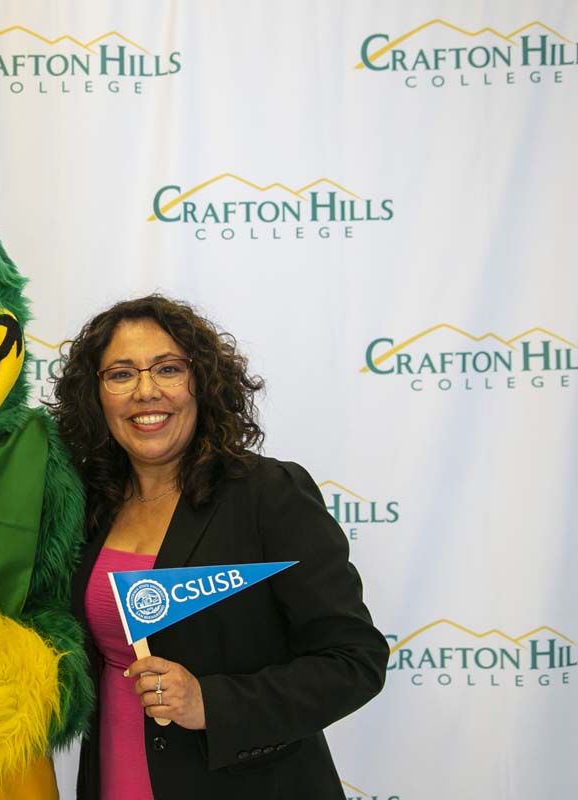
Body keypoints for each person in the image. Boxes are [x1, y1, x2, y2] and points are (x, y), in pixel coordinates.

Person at [51, 295, 388, 799]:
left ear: (201, 384)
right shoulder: (89, 504)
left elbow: (355, 660)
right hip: (114, 781)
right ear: (95, 396)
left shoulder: (266, 494)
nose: (146, 391)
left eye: (167, 369)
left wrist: (211, 702)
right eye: (120, 374)